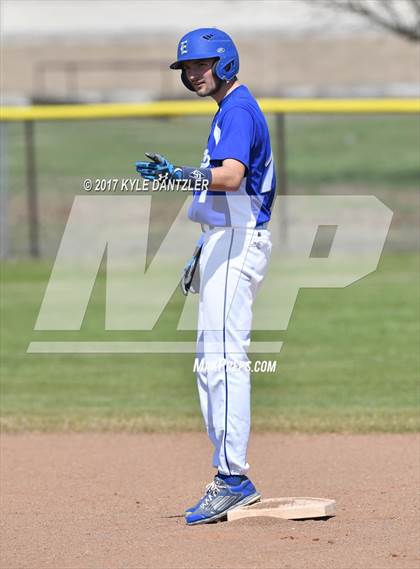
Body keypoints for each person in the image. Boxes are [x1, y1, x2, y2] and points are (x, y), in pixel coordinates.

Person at [136, 28, 276, 525]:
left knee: (223, 361)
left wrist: (181, 175)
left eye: (201, 64)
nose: (193, 73)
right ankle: (229, 475)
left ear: (227, 63)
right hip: (226, 241)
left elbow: (232, 176)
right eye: (187, 68)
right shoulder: (229, 110)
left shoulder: (236, 110)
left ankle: (234, 478)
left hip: (238, 241)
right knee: (210, 361)